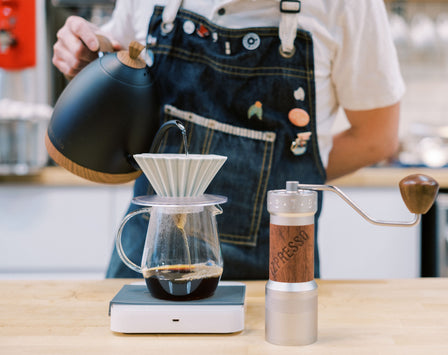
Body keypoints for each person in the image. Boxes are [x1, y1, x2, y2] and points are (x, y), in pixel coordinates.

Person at [52, 0, 405, 280]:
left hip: (273, 276)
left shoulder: (350, 6)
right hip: (146, 261)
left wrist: (284, 184)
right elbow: (121, 54)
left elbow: (377, 138)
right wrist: (86, 52)